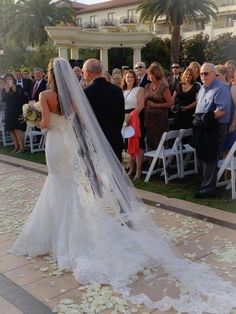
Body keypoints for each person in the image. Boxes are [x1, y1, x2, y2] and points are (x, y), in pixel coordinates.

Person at [12, 58, 236, 314]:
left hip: (54, 144)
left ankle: (57, 234)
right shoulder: (78, 96)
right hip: (76, 143)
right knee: (69, 185)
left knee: (56, 182)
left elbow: (46, 124)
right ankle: (72, 230)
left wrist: (35, 117)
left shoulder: (45, 94)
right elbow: (78, 118)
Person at [193, 63, 232, 198]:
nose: (203, 76)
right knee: (201, 155)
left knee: (210, 157)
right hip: (202, 126)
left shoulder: (221, 88)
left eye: (206, 73)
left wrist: (206, 117)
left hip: (214, 127)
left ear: (214, 74)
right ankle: (203, 184)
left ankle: (208, 189)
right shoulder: (203, 88)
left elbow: (222, 109)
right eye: (201, 73)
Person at [83, 58, 124, 162]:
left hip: (96, 142)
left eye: (83, 73)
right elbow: (121, 116)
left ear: (87, 73)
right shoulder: (117, 90)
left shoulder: (86, 93)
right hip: (115, 139)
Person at [121, 69, 144, 179]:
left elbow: (141, 105)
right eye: (127, 77)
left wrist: (131, 115)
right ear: (124, 79)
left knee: (138, 144)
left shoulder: (139, 89)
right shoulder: (122, 91)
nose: (129, 78)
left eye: (131, 77)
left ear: (135, 78)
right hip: (124, 118)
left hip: (136, 118)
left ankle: (138, 171)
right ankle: (131, 169)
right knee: (127, 145)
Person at [144, 62, 173, 151]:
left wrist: (156, 105)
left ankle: (161, 163)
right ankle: (151, 162)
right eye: (149, 74)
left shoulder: (164, 87)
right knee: (150, 141)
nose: (151, 76)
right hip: (149, 118)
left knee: (159, 142)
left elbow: (170, 104)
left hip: (160, 119)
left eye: (153, 74)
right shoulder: (147, 86)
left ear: (157, 74)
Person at [2, 73, 26, 153]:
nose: (9, 80)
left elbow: (22, 98)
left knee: (17, 129)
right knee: (11, 130)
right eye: (7, 79)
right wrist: (7, 91)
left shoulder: (18, 87)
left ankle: (22, 147)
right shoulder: (4, 89)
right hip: (9, 111)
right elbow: (4, 100)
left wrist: (15, 90)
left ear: (13, 79)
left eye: (10, 79)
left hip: (17, 110)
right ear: (5, 81)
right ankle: (16, 146)